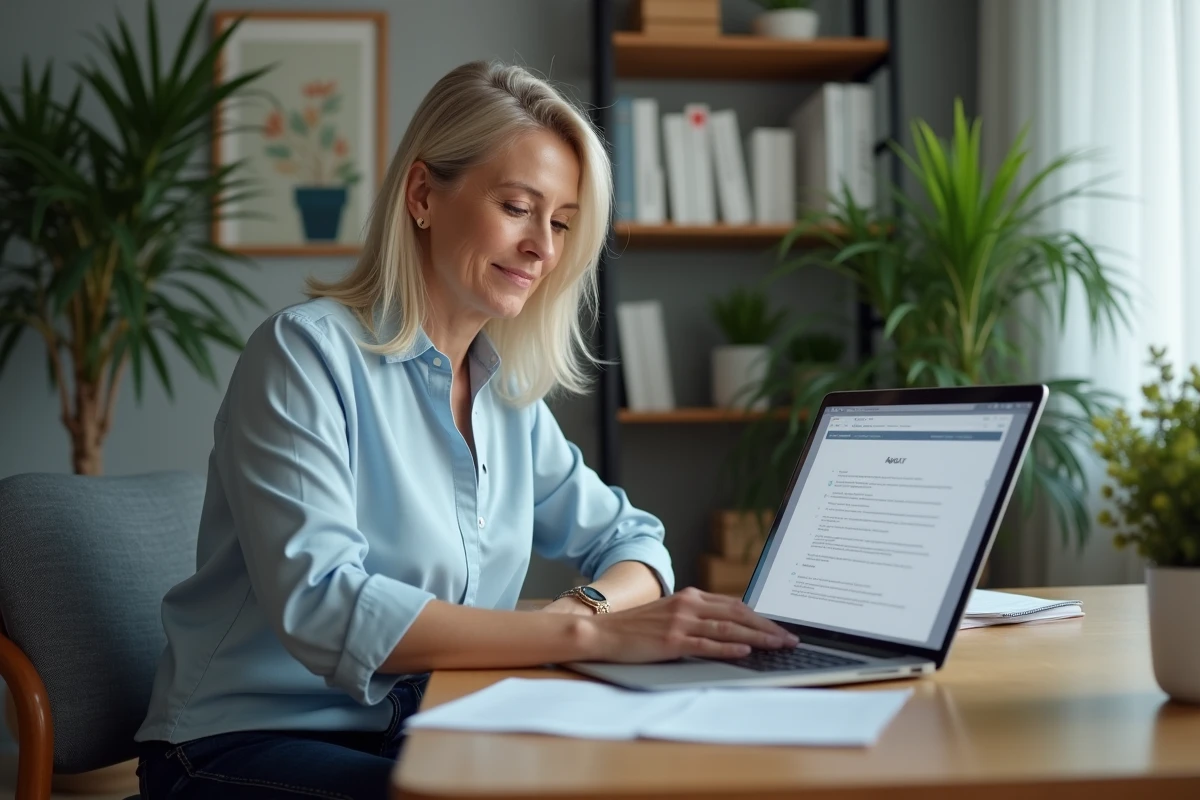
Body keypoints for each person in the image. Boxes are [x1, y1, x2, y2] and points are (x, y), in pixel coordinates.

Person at [134, 60, 797, 800]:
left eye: (563, 223)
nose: (544, 247)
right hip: (244, 742)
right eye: (519, 207)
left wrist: (586, 608)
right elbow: (324, 606)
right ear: (423, 195)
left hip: (428, 716)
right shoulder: (303, 354)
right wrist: (586, 635)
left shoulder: (506, 394)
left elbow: (634, 541)